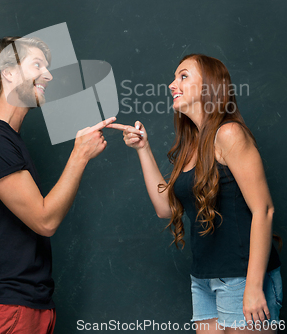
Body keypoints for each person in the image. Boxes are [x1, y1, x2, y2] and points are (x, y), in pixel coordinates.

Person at [107, 53, 283, 333]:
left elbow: (264, 209)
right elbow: (164, 208)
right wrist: (143, 149)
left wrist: (253, 286)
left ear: (209, 86)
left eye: (183, 76)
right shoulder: (191, 147)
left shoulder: (229, 134)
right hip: (203, 279)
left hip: (242, 277)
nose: (171, 84)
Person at [0, 36, 116, 334]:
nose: (49, 74)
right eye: (37, 65)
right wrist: (80, 154)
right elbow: (44, 220)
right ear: (8, 72)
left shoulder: (6, 140)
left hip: (25, 307)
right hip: (6, 311)